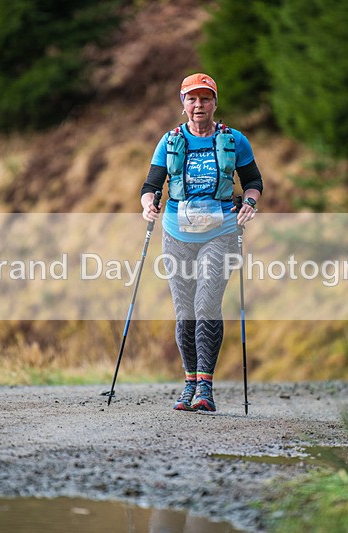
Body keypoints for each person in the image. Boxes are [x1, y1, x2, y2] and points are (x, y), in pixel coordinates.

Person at [140, 72, 263, 412]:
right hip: (176, 234)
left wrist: (249, 202)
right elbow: (151, 184)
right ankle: (189, 383)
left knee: (206, 304)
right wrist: (148, 203)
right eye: (192, 99)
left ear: (215, 103)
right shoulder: (169, 141)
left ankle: (205, 388)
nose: (199, 105)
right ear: (183, 104)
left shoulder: (234, 140)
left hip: (221, 232)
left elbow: (253, 181)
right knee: (184, 311)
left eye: (205, 98)